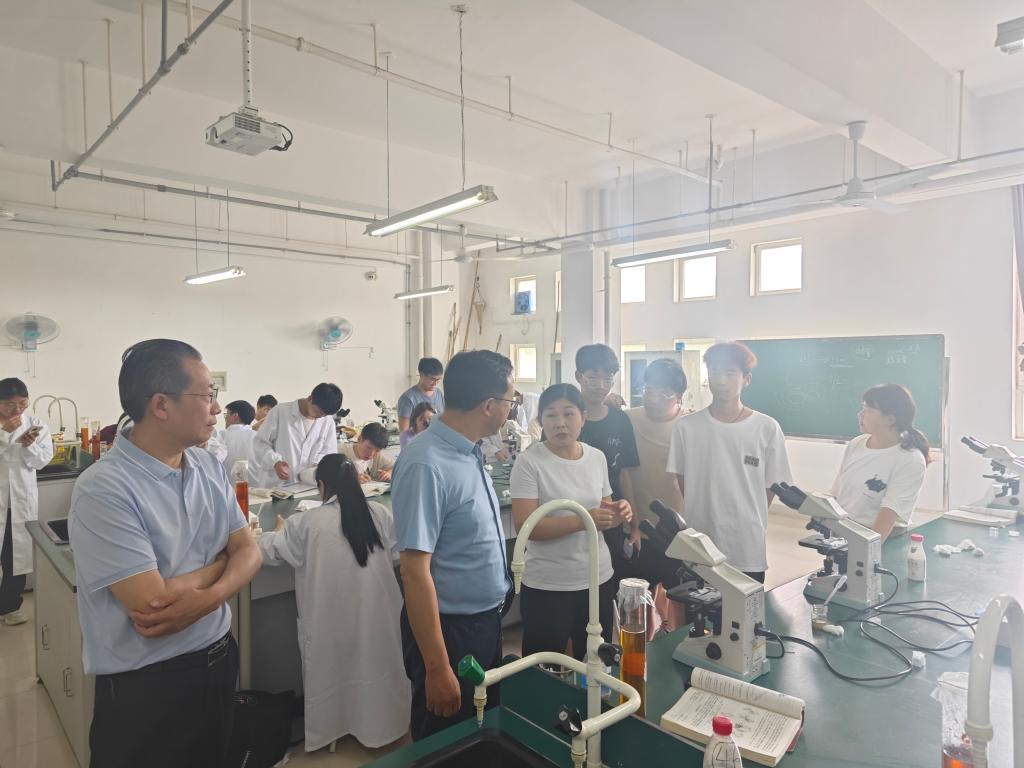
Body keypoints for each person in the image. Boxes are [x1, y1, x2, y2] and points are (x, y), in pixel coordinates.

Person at [69, 339, 262, 768]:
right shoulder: (104, 489)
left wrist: (210, 595)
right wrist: (222, 564)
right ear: (161, 405)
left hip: (218, 660)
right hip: (147, 687)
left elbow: (250, 550)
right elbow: (152, 604)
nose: (217, 408)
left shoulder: (207, 467)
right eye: (207, 395)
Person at [391, 350, 514, 741]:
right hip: (450, 632)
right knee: (446, 743)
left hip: (484, 622)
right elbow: (414, 572)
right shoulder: (426, 463)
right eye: (510, 401)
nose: (511, 409)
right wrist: (437, 667)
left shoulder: (470, 451)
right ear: (489, 405)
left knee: (481, 733)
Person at [258, 454, 410, 751]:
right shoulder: (378, 513)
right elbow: (396, 551)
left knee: (333, 671)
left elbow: (268, 551)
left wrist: (276, 532)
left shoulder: (307, 523)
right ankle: (383, 725)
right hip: (377, 621)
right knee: (376, 666)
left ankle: (334, 729)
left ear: (322, 486)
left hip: (330, 625)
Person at [510, 384, 631, 659]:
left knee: (595, 661)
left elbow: (604, 513)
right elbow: (526, 527)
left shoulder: (596, 458)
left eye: (568, 414)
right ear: (541, 421)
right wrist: (583, 520)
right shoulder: (529, 462)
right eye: (551, 415)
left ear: (583, 418)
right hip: (548, 584)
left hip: (597, 579)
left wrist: (619, 511)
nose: (560, 423)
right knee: (544, 666)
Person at [667, 342, 792, 583]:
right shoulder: (686, 427)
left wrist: (747, 514)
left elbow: (772, 487)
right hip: (700, 543)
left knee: (744, 606)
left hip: (746, 546)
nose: (721, 380)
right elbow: (683, 481)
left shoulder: (766, 428)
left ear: (747, 379)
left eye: (730, 373)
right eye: (714, 372)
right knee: (697, 607)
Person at [623, 359, 688, 627]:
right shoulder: (628, 419)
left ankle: (674, 639)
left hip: (675, 532)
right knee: (637, 603)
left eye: (663, 394)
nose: (653, 399)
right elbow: (624, 472)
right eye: (648, 390)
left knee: (680, 600)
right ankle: (641, 648)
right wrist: (633, 524)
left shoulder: (689, 425)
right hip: (638, 528)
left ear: (679, 397)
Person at [830, 385, 929, 542]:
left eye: (868, 411)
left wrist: (866, 550)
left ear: (890, 419)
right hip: (845, 531)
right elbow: (837, 493)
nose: (860, 414)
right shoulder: (856, 444)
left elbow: (889, 514)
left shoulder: (910, 459)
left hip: (882, 539)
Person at [574, 344, 641, 567]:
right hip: (571, 515)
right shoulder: (565, 418)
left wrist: (634, 526)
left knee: (608, 576)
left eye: (608, 379)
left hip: (611, 517)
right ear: (579, 376)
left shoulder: (620, 421)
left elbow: (625, 475)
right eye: (593, 378)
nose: (601, 386)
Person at [0, 378, 53, 626]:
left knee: (15, 558)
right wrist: (4, 433)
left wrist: (29, 445)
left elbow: (41, 461)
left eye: (22, 404)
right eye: (10, 405)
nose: (17, 410)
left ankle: (9, 607)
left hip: (20, 503)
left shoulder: (36, 425)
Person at [254, 383, 343, 487]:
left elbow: (329, 453)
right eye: (317, 412)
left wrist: (320, 464)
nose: (319, 417)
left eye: (324, 415)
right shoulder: (280, 412)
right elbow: (260, 444)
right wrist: (275, 462)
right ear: (310, 398)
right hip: (277, 485)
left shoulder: (327, 421)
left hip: (308, 486)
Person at [397, 358, 446, 432]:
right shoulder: (407, 399)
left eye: (438, 379)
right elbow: (404, 433)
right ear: (421, 375)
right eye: (432, 379)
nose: (435, 383)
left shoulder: (439, 393)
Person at [220, 400, 258, 483]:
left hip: (226, 488)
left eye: (227, 414)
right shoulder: (258, 437)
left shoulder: (221, 436)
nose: (225, 418)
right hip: (256, 488)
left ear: (235, 416)